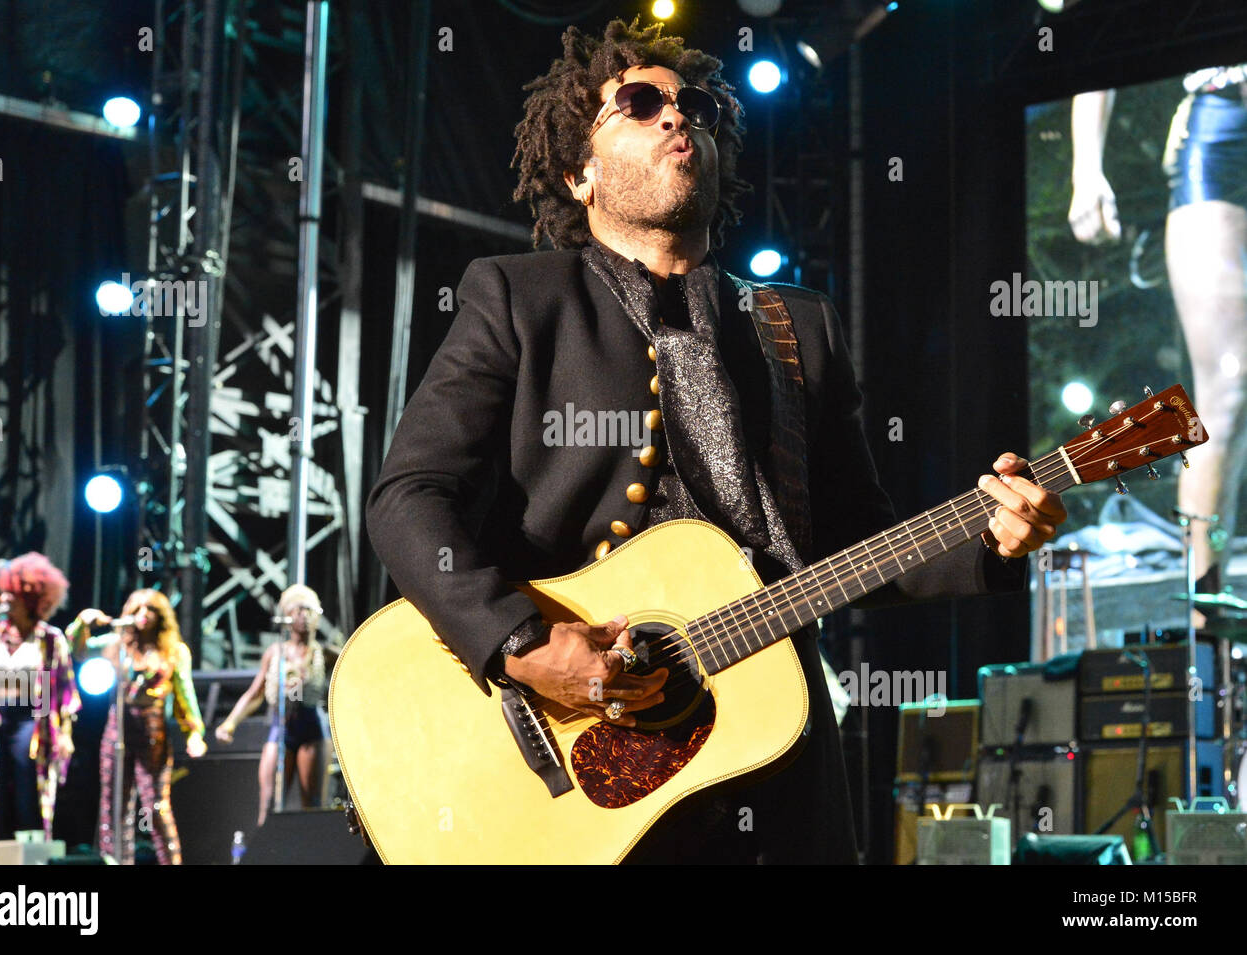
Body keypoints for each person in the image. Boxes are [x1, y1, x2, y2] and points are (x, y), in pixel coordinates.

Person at [367, 17, 1066, 863]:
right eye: (638, 103)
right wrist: (523, 643)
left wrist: (989, 538)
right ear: (577, 172)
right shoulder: (519, 298)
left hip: (766, 754)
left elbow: (852, 546)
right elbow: (408, 497)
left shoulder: (798, 325)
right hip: (568, 753)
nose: (675, 116)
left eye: (691, 103)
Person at [1071, 70, 1247, 612]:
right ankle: (1206, 618)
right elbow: (1097, 45)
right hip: (1223, 132)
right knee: (1230, 383)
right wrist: (1087, 169)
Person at [0, 553, 80, 859]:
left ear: (31, 596)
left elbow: (63, 689)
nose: (6, 598)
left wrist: (66, 735)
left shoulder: (49, 638)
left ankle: (32, 856)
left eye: (14, 593)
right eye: (2, 591)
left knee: (27, 791)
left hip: (33, 720)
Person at [68, 589, 206, 864]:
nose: (144, 616)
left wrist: (194, 734)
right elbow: (77, 650)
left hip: (152, 732)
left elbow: (185, 695)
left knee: (155, 806)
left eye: (150, 609)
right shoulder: (115, 644)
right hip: (117, 729)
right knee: (114, 808)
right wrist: (82, 623)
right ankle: (118, 860)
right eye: (138, 609)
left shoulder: (174, 652)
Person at [215, 584, 336, 825]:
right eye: (298, 610)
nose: (304, 616)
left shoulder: (326, 653)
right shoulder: (275, 652)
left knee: (312, 805)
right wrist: (230, 723)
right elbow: (255, 693)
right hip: (280, 727)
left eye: (309, 610)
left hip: (312, 728)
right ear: (287, 616)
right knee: (269, 802)